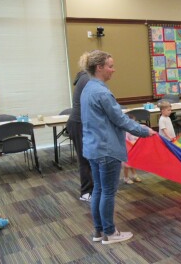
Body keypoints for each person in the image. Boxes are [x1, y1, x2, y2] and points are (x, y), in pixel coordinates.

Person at [81, 50, 156, 245]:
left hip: (93, 147)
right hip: (106, 149)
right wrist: (143, 131)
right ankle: (110, 233)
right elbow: (120, 119)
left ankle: (99, 231)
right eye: (110, 66)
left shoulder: (87, 88)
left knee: (98, 189)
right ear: (99, 68)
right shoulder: (102, 92)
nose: (113, 70)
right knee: (107, 192)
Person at [66, 52, 93, 202]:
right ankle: (86, 192)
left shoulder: (84, 77)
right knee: (85, 159)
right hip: (78, 123)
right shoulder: (87, 79)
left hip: (79, 123)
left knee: (88, 158)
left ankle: (91, 189)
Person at [123, 115, 144, 185]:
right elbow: (125, 140)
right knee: (126, 165)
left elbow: (137, 137)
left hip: (133, 149)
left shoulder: (134, 130)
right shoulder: (125, 131)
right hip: (127, 150)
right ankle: (126, 177)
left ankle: (134, 175)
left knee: (133, 163)